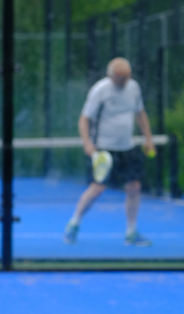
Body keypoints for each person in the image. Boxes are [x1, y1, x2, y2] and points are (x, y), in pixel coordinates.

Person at [63, 57, 155, 247]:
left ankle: (131, 232)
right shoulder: (100, 90)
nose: (123, 82)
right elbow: (84, 118)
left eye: (126, 78)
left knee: (134, 187)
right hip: (104, 149)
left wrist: (148, 138)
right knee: (97, 189)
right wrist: (87, 143)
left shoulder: (134, 88)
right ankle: (74, 223)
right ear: (110, 75)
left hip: (127, 147)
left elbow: (140, 113)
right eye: (119, 78)